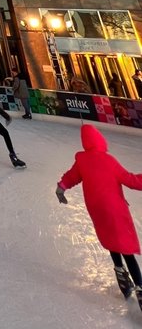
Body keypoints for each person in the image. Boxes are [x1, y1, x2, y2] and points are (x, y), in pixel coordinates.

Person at [56, 125, 142, 308]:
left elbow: (71, 177)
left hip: (97, 211)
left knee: (112, 243)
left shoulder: (82, 161)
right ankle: (140, 288)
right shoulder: (108, 160)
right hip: (115, 211)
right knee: (126, 250)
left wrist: (61, 187)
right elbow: (131, 180)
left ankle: (122, 279)